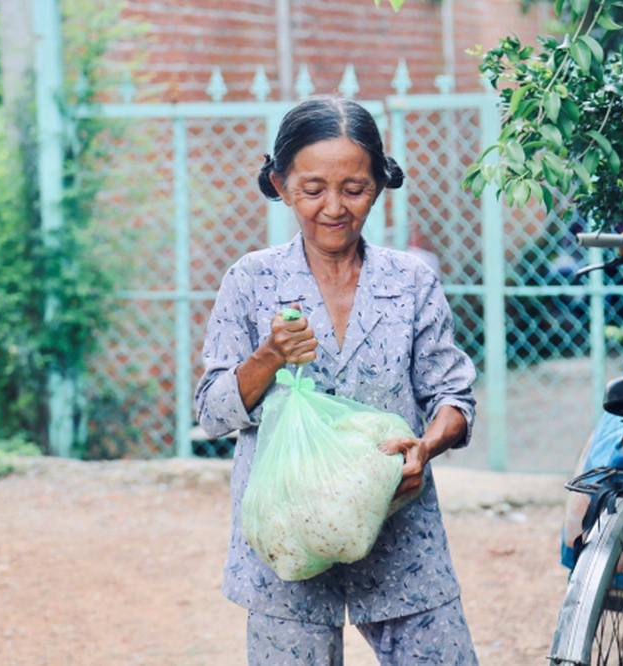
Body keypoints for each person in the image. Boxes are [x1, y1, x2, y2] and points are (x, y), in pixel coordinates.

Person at [194, 95, 480, 666]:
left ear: (379, 184)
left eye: (354, 189)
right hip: (288, 546)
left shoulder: (411, 281)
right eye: (312, 188)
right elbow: (211, 414)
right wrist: (268, 358)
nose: (334, 208)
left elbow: (453, 396)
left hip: (402, 538)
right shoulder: (252, 280)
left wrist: (425, 447)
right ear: (279, 184)